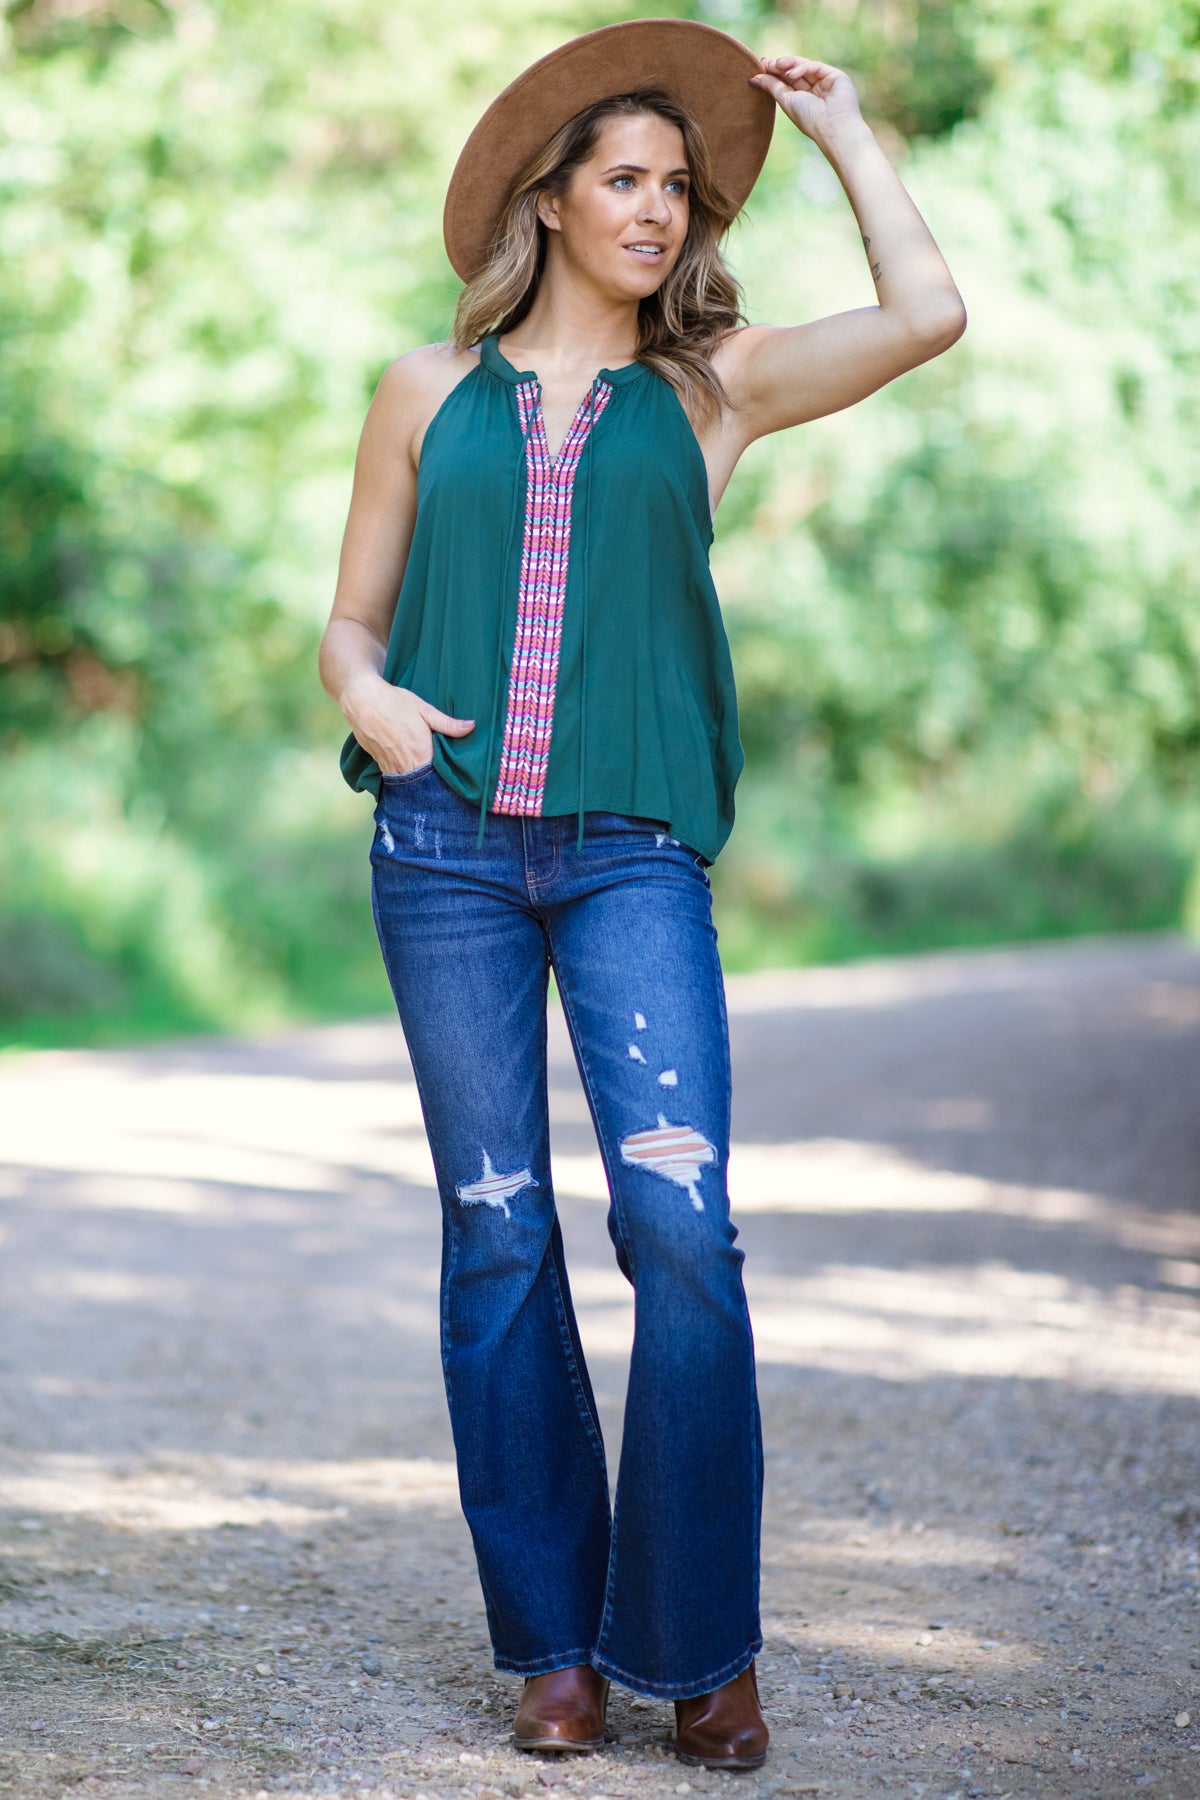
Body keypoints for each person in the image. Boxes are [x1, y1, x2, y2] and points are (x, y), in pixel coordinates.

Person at [319, 17, 965, 1771]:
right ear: (549, 199)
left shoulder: (715, 388)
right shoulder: (421, 392)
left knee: (681, 1232)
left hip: (631, 857)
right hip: (442, 850)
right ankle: (552, 1653)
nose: (660, 211)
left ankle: (699, 1652)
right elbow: (350, 618)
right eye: (626, 180)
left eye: (679, 187)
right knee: (499, 1232)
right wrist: (366, 700)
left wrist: (843, 139)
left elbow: (928, 318)